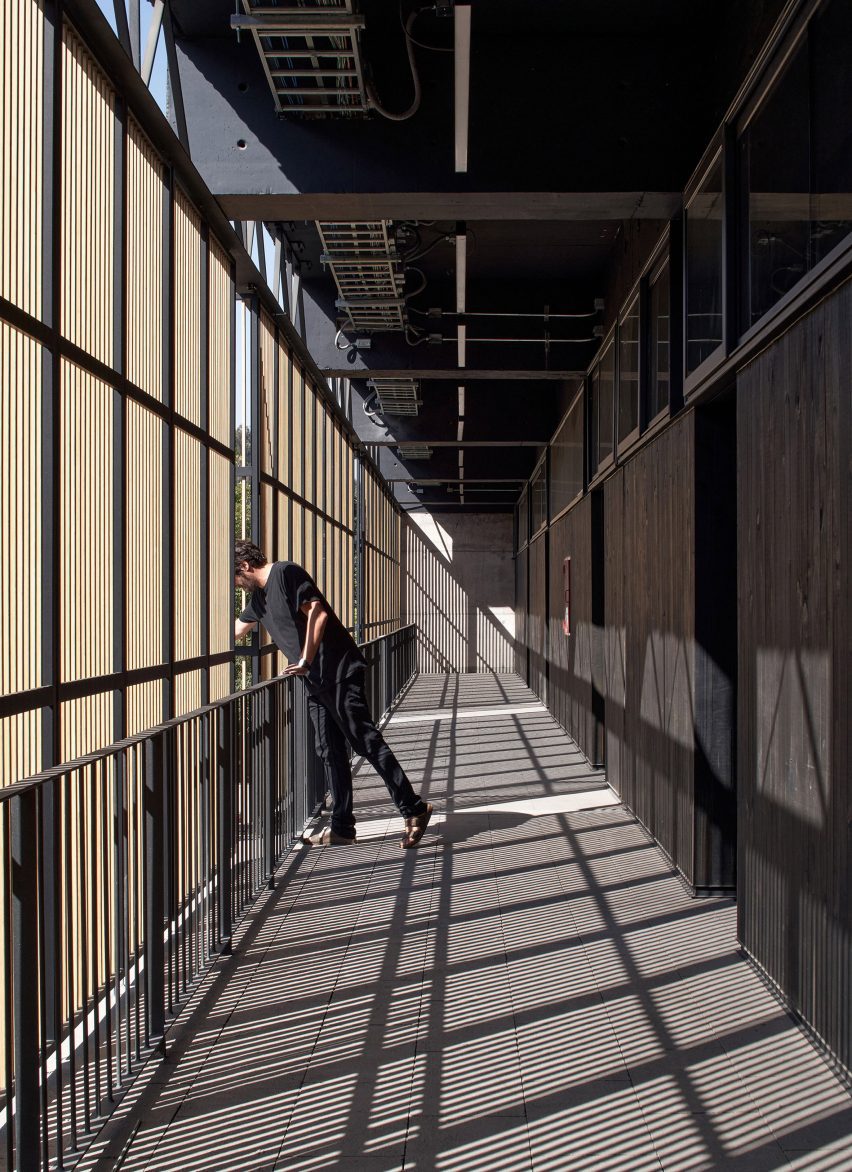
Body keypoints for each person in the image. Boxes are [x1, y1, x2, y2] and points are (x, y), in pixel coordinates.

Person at [233, 540, 432, 848]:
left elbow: (318, 613)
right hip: (314, 681)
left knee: (366, 741)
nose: (237, 586)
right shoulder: (258, 600)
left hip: (338, 671)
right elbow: (234, 630)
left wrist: (305, 659)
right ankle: (342, 827)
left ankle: (414, 809)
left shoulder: (285, 573)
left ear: (244, 566)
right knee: (330, 751)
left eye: (234, 578)